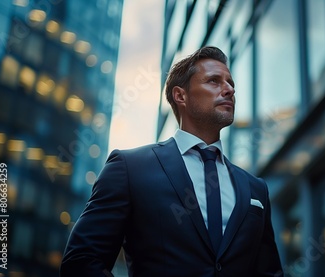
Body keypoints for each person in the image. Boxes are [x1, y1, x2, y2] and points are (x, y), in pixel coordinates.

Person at [60, 46, 283, 277]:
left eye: (231, 84)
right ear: (180, 96)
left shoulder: (256, 188)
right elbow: (82, 261)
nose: (228, 90)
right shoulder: (130, 168)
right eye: (214, 81)